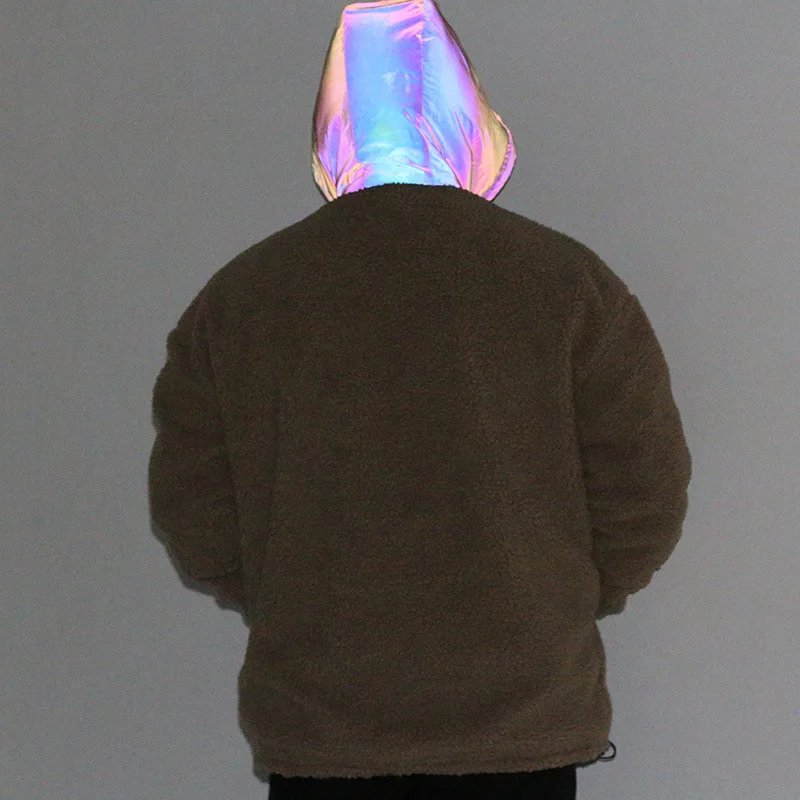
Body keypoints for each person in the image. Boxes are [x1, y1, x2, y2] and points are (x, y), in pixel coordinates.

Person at [147, 1, 692, 798]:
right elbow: (645, 492)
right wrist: (556, 597)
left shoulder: (242, 299)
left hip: (323, 728)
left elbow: (194, 510)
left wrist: (287, 593)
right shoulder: (569, 285)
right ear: (467, 109)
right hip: (521, 726)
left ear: (332, 118)